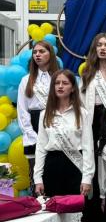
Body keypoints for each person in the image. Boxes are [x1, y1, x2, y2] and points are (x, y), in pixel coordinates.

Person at [33, 69, 94, 222]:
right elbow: (41, 147)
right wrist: (37, 177)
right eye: (57, 83)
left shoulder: (82, 113)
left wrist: (87, 177)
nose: (60, 86)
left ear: (72, 88)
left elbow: (88, 147)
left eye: (65, 83)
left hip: (74, 170)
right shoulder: (45, 114)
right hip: (52, 167)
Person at [17, 40, 59, 185]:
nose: (37, 55)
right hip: (34, 125)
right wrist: (31, 134)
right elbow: (22, 110)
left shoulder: (59, 79)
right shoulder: (25, 80)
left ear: (50, 54)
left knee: (55, 171)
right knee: (36, 175)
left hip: (55, 123)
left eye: (42, 51)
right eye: (35, 52)